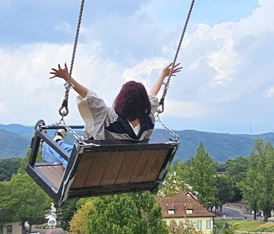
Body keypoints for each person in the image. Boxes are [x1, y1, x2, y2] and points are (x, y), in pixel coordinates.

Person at [42, 62, 181, 165]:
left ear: (122, 99)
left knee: (64, 154)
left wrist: (67, 77)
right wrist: (163, 75)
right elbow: (153, 97)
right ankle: (57, 141)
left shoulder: (109, 117)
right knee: (67, 154)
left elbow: (90, 97)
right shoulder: (148, 118)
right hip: (122, 168)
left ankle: (55, 141)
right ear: (144, 102)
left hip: (96, 165)